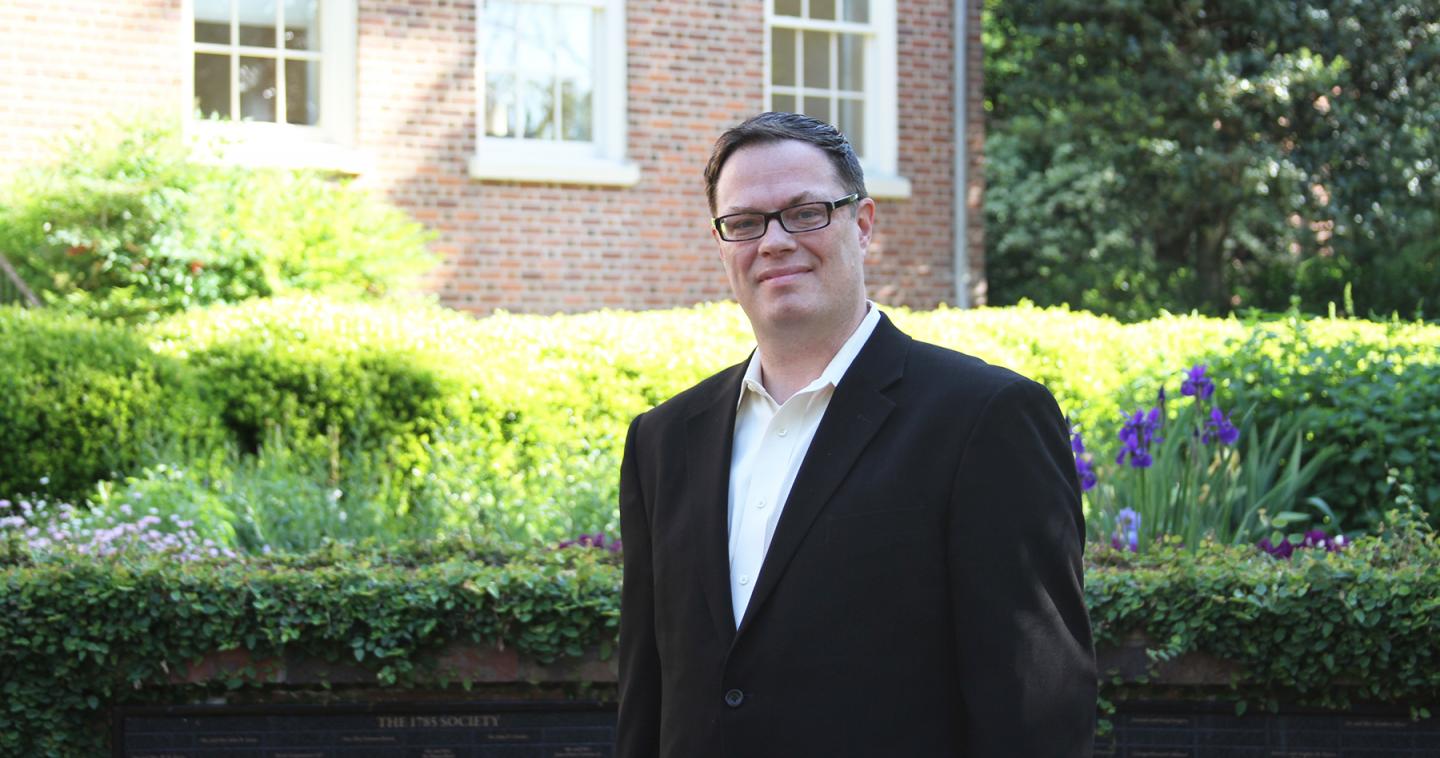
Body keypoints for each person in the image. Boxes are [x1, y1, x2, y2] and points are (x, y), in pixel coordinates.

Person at [615, 111, 1096, 757]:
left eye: (805, 213)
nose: (774, 241)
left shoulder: (986, 419)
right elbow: (647, 695)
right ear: (722, 242)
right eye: (745, 222)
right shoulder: (663, 439)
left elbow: (1037, 705)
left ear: (863, 223)